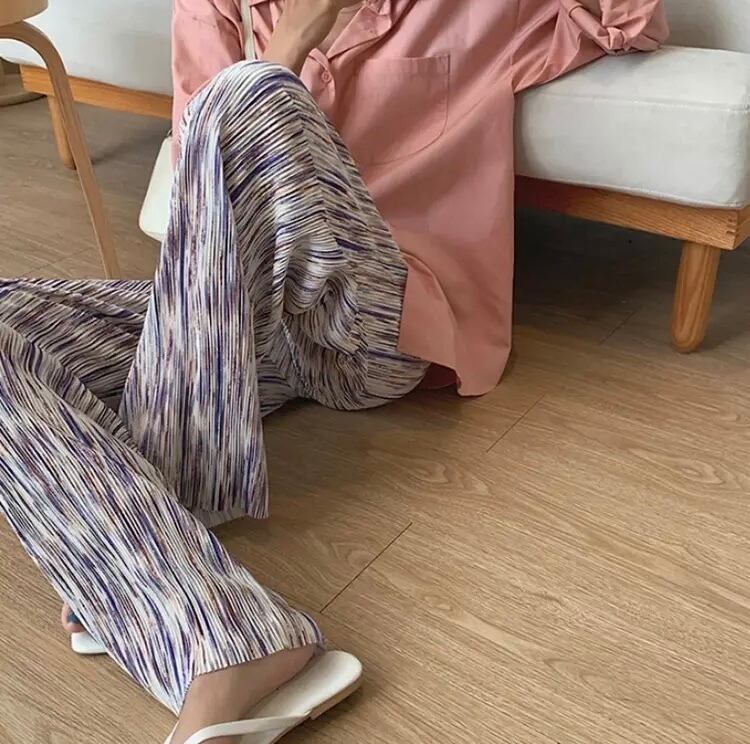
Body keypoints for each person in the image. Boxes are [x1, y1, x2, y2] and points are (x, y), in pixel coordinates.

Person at [0, 1, 667, 742]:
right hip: (237, 323)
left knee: (248, 91)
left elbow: (634, 19)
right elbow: (201, 197)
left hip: (377, 327)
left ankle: (126, 552)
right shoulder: (214, 8)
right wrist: (293, 37)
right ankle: (209, 623)